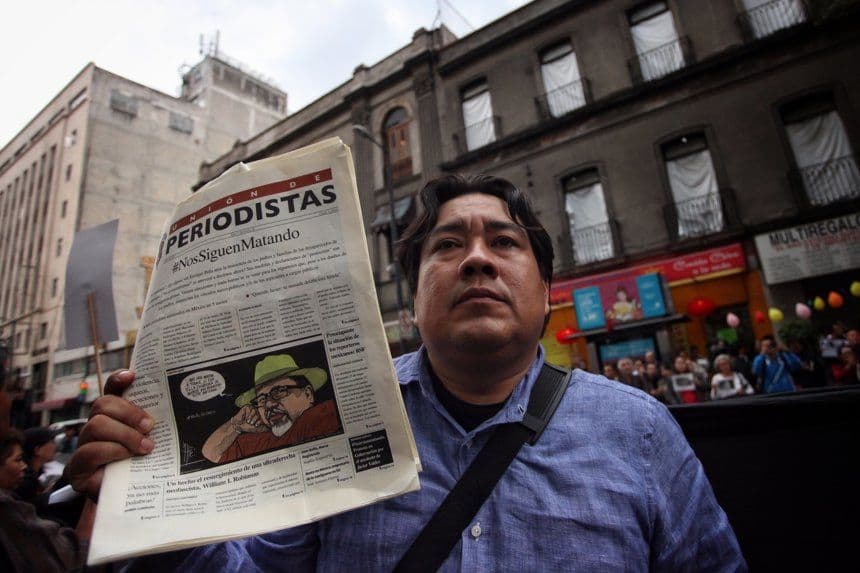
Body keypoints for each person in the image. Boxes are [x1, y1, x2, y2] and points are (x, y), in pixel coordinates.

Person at [66, 174, 744, 570]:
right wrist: (155, 514)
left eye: (503, 242)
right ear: (414, 297)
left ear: (547, 293)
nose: (477, 259)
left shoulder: (640, 432)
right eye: (448, 245)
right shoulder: (331, 419)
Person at [201, 354, 341, 464]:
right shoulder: (260, 440)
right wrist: (237, 424)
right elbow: (211, 453)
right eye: (261, 399)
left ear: (308, 394)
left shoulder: (327, 413)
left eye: (279, 392)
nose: (268, 405)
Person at [1, 430, 82, 572]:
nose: (23, 466)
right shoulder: (20, 492)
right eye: (18, 460)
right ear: (38, 450)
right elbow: (70, 555)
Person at [15, 427, 57, 504]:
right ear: (37, 450)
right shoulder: (27, 479)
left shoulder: (35, 473)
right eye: (52, 442)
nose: (55, 446)